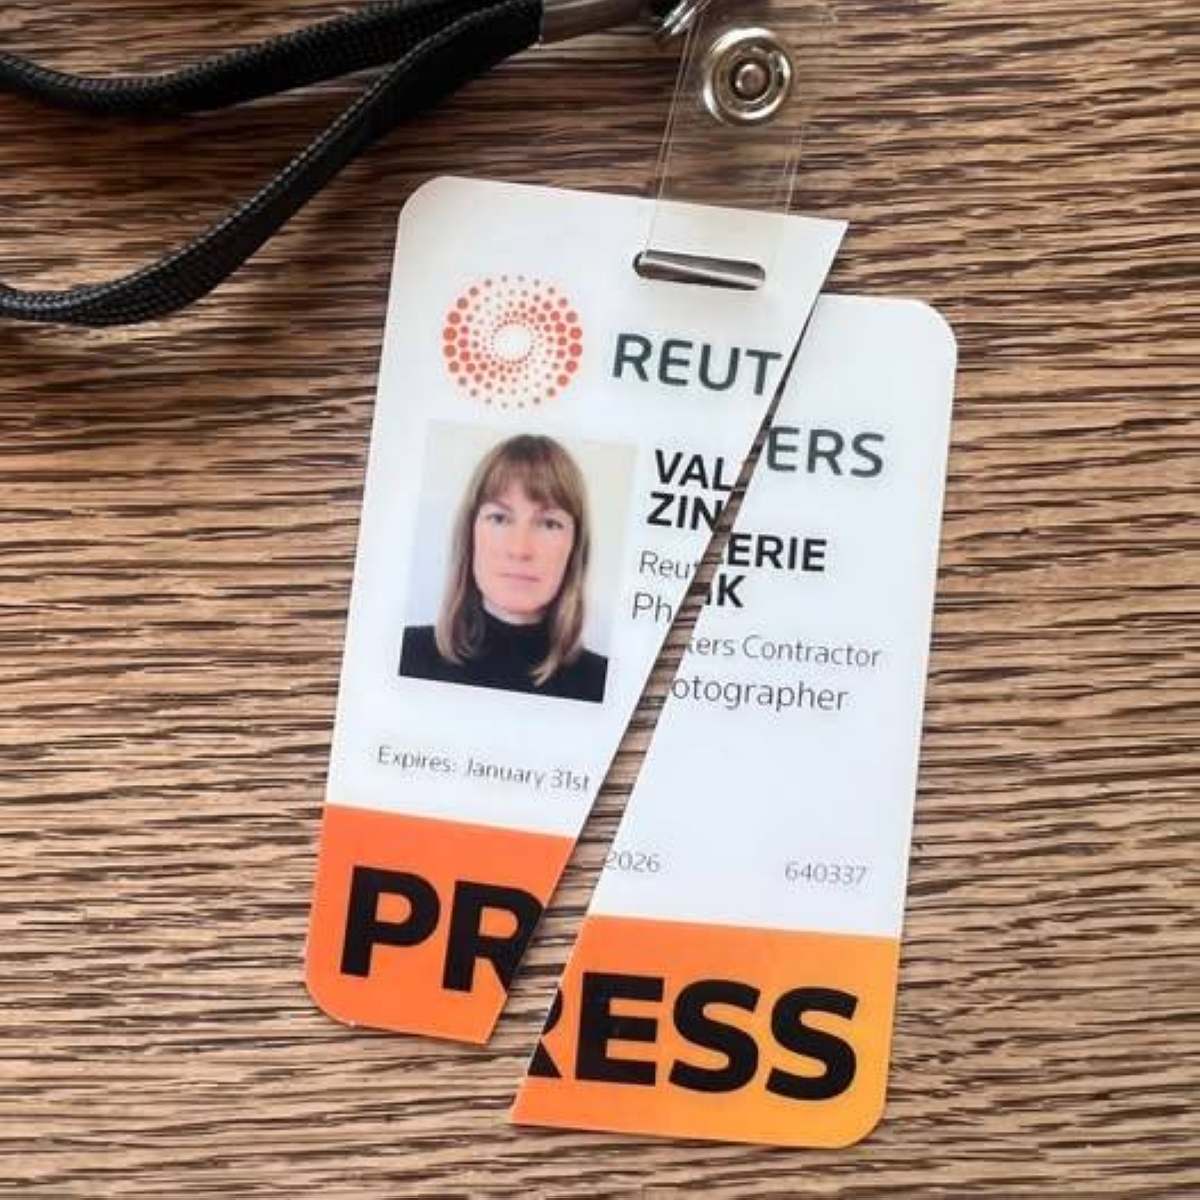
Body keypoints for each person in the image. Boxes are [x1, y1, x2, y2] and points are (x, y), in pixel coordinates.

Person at [400, 434, 609, 703]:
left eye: (549, 524)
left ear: (575, 546)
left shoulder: (604, 684)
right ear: (470, 534)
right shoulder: (405, 655)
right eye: (499, 518)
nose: (519, 549)